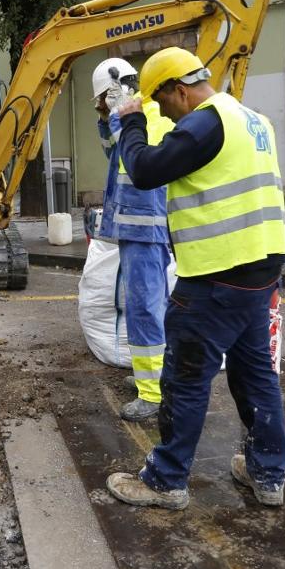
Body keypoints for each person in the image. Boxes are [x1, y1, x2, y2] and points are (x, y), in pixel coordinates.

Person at [104, 46, 285, 510]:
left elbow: (145, 170)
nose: (164, 112)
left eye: (162, 102)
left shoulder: (207, 122)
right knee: (255, 374)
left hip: (215, 273)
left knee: (185, 378)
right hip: (261, 270)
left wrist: (130, 120)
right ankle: (268, 475)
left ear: (178, 90)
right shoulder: (252, 119)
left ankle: (165, 480)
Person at [90, 57, 174, 422]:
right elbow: (113, 151)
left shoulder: (146, 118)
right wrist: (108, 114)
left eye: (102, 99)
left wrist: (119, 109)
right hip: (138, 229)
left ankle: (153, 393)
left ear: (115, 90)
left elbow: (130, 150)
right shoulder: (134, 118)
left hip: (146, 229)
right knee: (151, 305)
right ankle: (150, 379)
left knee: (145, 309)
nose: (101, 107)